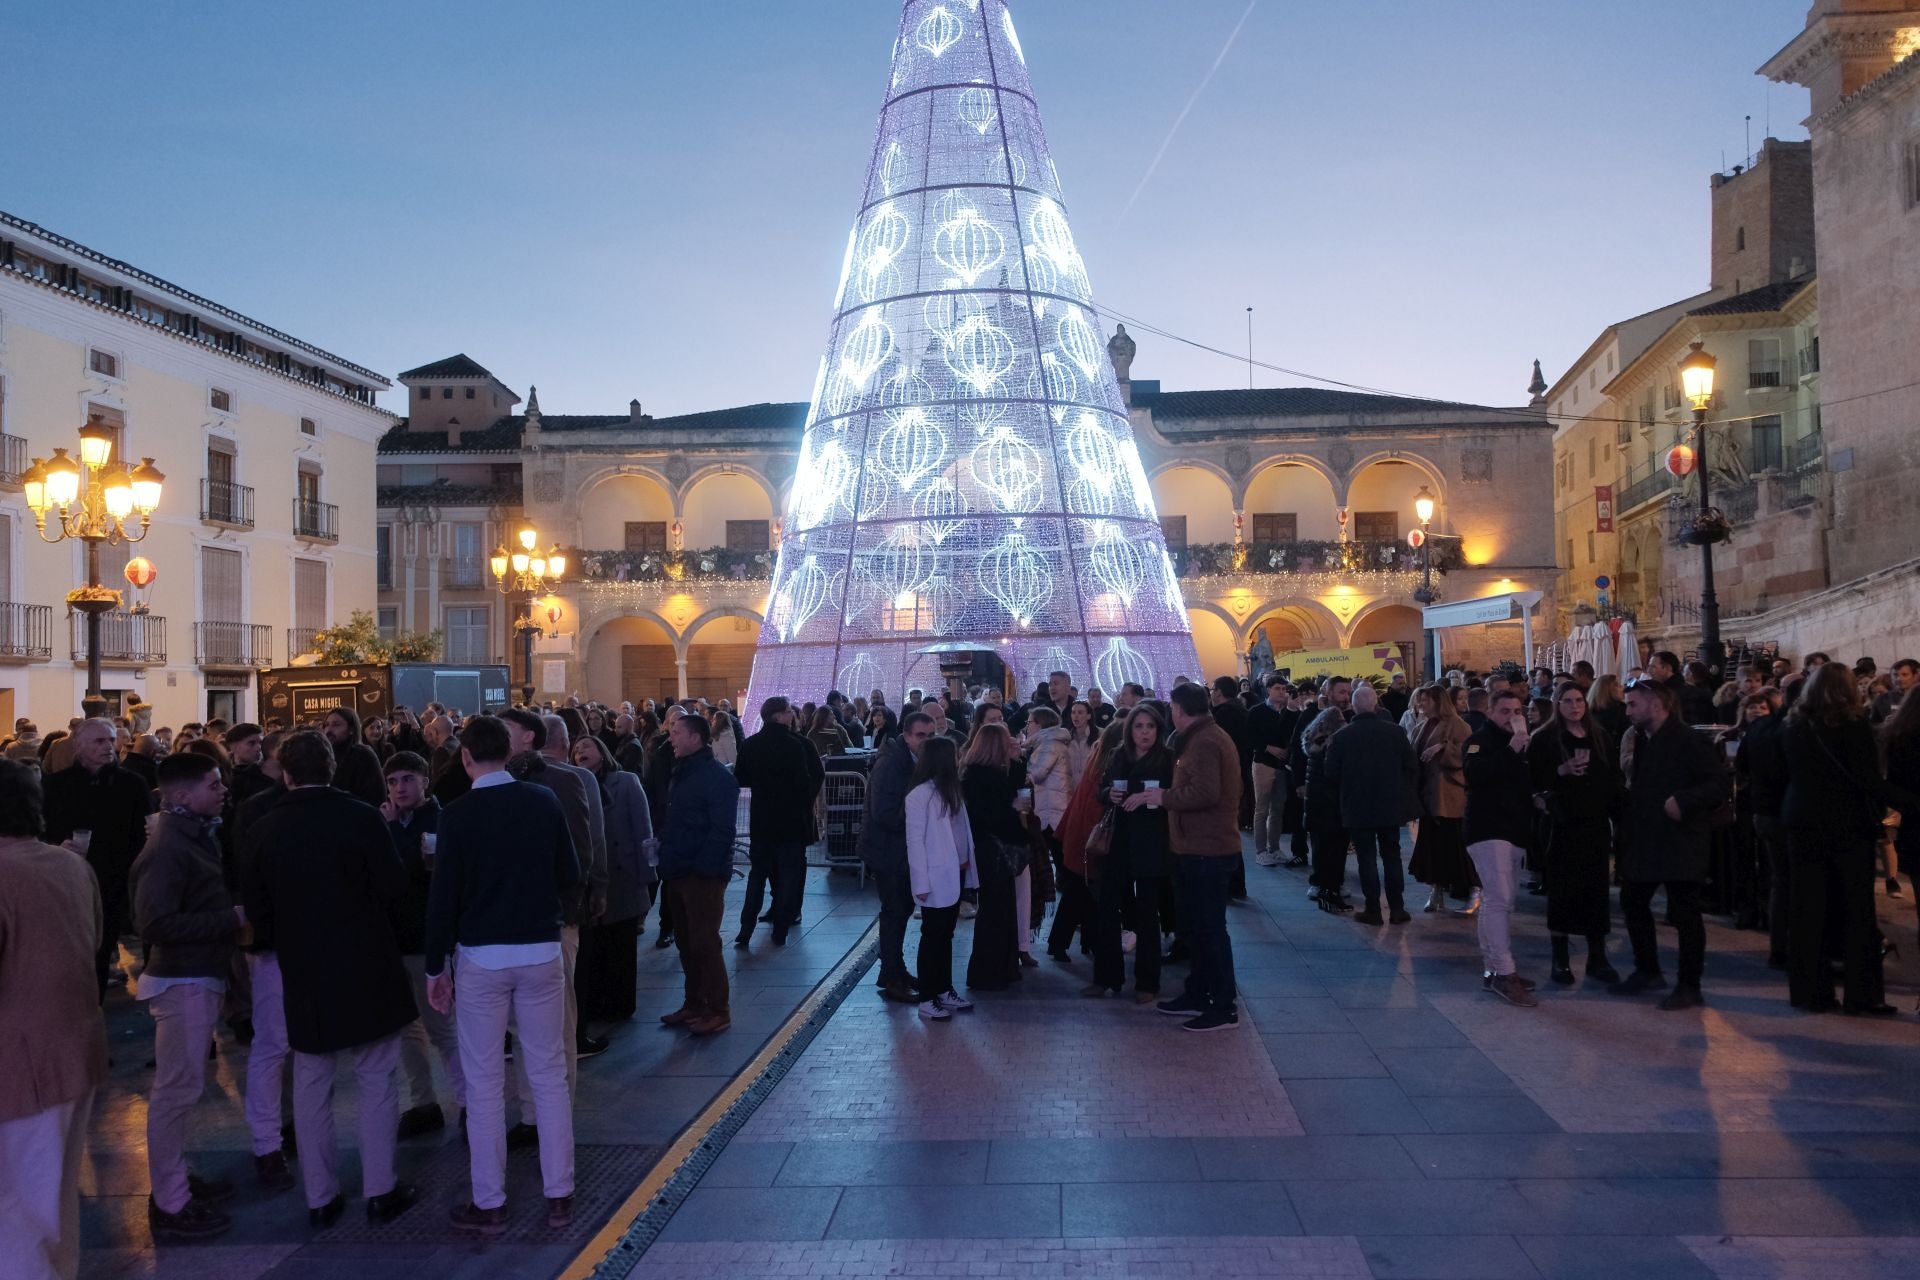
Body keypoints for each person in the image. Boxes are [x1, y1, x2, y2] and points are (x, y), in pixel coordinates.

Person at [243, 732, 419, 1226]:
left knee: (312, 1079)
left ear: (286, 772)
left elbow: (257, 910)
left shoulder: (265, 827)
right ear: (333, 767)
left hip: (303, 967)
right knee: (377, 1076)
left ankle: (320, 1196)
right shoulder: (361, 816)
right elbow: (392, 885)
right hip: (366, 962)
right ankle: (381, 1189)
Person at [422, 714, 580, 1234]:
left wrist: (434, 966)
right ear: (508, 755)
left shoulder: (458, 816)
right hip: (540, 951)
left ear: (466, 758)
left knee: (485, 1081)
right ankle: (560, 1195)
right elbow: (569, 876)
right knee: (549, 1075)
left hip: (482, 959)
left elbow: (443, 898)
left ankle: (489, 1202)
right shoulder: (543, 801)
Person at [128, 752, 246, 1240]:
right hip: (183, 980)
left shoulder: (191, 835)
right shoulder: (171, 846)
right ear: (181, 796)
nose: (222, 790)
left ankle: (175, 1181)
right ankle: (171, 1202)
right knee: (176, 1093)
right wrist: (230, 920)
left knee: (184, 1089)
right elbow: (153, 922)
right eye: (213, 784)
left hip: (199, 975)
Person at [0, 760, 106, 1279]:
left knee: (13, 1204)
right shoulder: (70, 866)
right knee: (56, 1199)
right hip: (75, 1051)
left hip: (18, 1070)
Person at [1782, 663, 1912, 1015]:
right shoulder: (1853, 727)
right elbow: (1869, 780)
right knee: (1856, 911)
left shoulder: (1794, 725)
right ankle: (1862, 996)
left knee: (1808, 908)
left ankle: (1810, 993)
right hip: (1845, 825)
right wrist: (1910, 802)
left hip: (1801, 821)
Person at [1612, 679, 1729, 1011]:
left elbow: (1718, 784)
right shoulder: (1644, 739)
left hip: (1681, 839)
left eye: (1633, 704)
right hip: (1650, 838)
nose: (1628, 710)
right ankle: (1647, 970)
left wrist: (1684, 799)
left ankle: (1690, 985)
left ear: (1656, 704)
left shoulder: (1688, 740)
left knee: (1685, 914)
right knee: (1633, 901)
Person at [1133, 682, 1242, 1032]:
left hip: (1207, 849)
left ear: (1179, 710)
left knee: (1210, 930)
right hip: (1195, 847)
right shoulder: (1200, 737)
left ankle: (1223, 1006)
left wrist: (1164, 797)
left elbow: (1206, 792)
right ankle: (1198, 992)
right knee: (1195, 928)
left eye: (1171, 709)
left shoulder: (1206, 741)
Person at [380, 751, 461, 1140]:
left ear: (424, 781)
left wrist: (394, 830)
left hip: (428, 938)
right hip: (395, 937)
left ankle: (467, 1102)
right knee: (407, 1030)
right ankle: (422, 1101)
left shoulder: (440, 820)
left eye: (407, 780)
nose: (399, 789)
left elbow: (410, 870)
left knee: (443, 1026)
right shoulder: (387, 822)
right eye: (393, 782)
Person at [43, 718, 154, 998]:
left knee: (102, 949)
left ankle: (94, 1006)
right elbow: (44, 829)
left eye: (110, 740)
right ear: (78, 747)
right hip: (68, 878)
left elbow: (142, 832)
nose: (108, 747)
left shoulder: (132, 783)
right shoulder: (58, 785)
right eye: (99, 741)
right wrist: (58, 846)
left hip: (113, 879)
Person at [1529, 685, 1623, 985]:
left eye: (1579, 700)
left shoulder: (1600, 736)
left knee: (1595, 890)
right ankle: (1561, 959)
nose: (1574, 706)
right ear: (1558, 705)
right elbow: (1532, 780)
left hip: (1593, 822)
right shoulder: (1544, 738)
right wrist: (1561, 770)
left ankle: (1597, 956)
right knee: (1562, 890)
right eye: (1567, 701)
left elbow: (1612, 776)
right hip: (1561, 822)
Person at [655, 712, 739, 1035]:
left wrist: (705, 868)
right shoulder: (683, 772)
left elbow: (722, 829)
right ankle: (694, 1002)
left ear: (695, 738)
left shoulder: (716, 778)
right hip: (678, 868)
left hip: (701, 873)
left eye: (676, 732)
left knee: (705, 941)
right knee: (687, 943)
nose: (671, 738)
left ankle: (718, 1008)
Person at [1091, 708, 1173, 1003]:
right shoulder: (1118, 755)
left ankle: (1147, 982)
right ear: (1130, 730)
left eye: (1150, 726)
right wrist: (1107, 795)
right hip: (1120, 840)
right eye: (1139, 726)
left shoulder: (1166, 758)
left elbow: (1174, 795)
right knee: (1109, 908)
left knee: (1148, 913)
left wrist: (1155, 797)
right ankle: (1106, 976)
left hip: (1152, 841)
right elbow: (1101, 788)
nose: (1144, 732)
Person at [571, 733, 654, 1023]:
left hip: (623, 873)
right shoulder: (574, 783)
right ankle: (596, 1002)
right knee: (595, 947)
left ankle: (620, 1004)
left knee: (621, 944)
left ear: (602, 752)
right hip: (593, 876)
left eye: (587, 746)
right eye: (576, 748)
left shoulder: (627, 781)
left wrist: (646, 876)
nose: (581, 751)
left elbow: (643, 828)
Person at [1463, 690, 1537, 1006]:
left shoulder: (1521, 744)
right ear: (1491, 711)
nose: (1512, 717)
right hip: (1487, 828)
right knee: (1498, 898)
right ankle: (1504, 972)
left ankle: (1493, 970)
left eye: (1517, 710)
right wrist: (1512, 748)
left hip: (1514, 829)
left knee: (1503, 902)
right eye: (1505, 711)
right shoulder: (1479, 740)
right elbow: (1476, 774)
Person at [1324, 684, 1418, 925]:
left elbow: (1331, 773)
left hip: (1358, 806)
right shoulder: (1395, 732)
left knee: (1366, 858)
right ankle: (1397, 908)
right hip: (1390, 804)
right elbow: (1411, 766)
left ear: (1354, 707)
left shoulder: (1342, 736)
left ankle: (1373, 909)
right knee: (1392, 856)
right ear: (1376, 705)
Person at [733, 696, 823, 948]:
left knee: (757, 875)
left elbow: (740, 778)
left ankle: (745, 928)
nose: (791, 715)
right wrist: (803, 803)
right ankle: (780, 930)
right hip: (791, 820)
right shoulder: (795, 745)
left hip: (761, 820)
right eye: (787, 711)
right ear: (779, 716)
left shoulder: (750, 745)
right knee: (789, 876)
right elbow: (805, 782)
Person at [859, 712, 934, 1002]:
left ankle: (895, 969)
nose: (926, 742)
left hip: (899, 851)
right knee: (894, 912)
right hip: (887, 851)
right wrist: (920, 818)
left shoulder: (912, 761)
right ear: (906, 735)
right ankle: (891, 974)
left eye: (930, 736)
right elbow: (884, 812)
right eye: (920, 736)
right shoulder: (891, 764)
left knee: (900, 911)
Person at [904, 737, 977, 1021]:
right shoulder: (920, 795)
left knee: (946, 935)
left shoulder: (950, 790)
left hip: (954, 871)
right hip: (935, 875)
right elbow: (915, 842)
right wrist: (920, 882)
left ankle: (944, 989)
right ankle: (927, 996)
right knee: (932, 936)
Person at [963, 723, 1028, 990]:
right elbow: (988, 816)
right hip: (993, 851)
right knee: (995, 912)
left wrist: (1017, 760)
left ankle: (1002, 967)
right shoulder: (981, 778)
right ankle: (990, 971)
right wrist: (1012, 808)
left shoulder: (984, 774)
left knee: (1001, 910)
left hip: (992, 849)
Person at [1737, 686, 1792, 969]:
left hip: (1763, 810)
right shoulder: (1784, 731)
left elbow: (1742, 766)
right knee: (1785, 880)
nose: (1757, 712)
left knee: (1779, 880)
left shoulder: (1755, 734)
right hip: (1779, 812)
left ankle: (1778, 945)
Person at [1301, 700, 1352, 911]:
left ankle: (1319, 884)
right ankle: (1330, 889)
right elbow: (1333, 775)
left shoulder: (1313, 742)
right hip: (1332, 805)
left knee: (1320, 848)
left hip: (1314, 806)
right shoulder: (1332, 745)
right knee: (1335, 849)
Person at [1248, 676, 1295, 867]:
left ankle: (1274, 848)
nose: (1281, 692)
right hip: (1263, 763)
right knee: (1262, 808)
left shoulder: (1287, 712)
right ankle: (1260, 851)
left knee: (1278, 808)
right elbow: (1250, 737)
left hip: (1282, 765)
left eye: (1284, 689)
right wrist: (1268, 748)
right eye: (1277, 688)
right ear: (1268, 690)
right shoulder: (1257, 711)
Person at [322, 707, 387, 807]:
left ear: (351, 729)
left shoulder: (363, 755)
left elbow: (376, 797)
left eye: (336, 725)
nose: (329, 730)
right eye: (326, 725)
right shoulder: (322, 755)